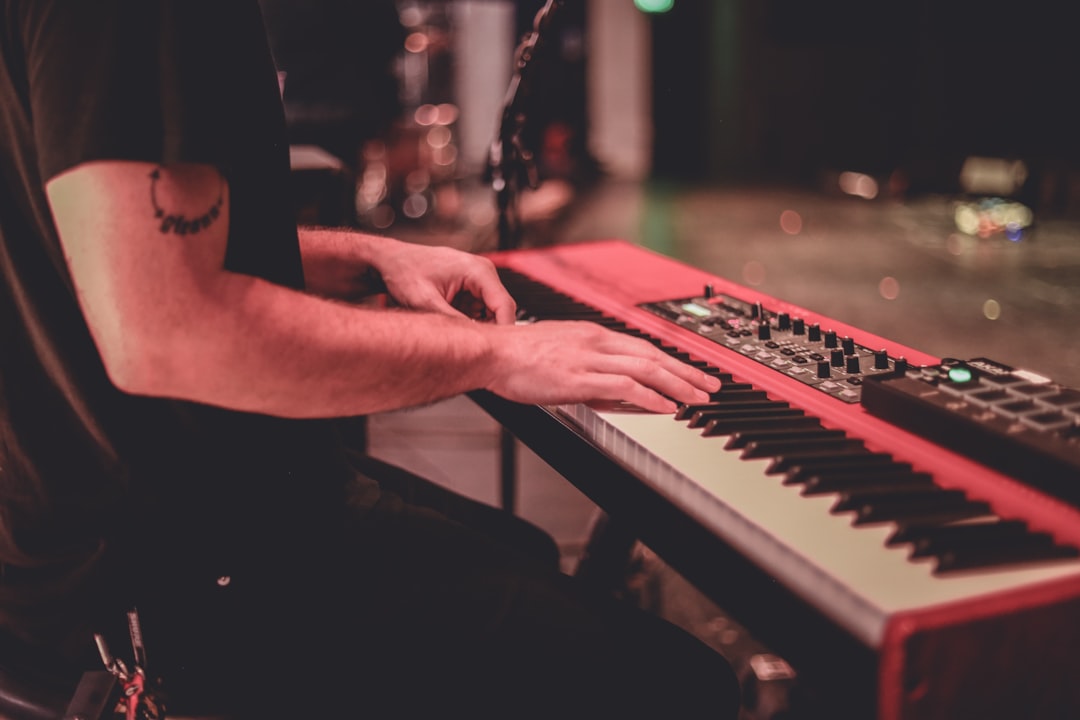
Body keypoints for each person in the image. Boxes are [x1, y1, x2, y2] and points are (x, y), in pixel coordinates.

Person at [0, 2, 740, 718]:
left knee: (528, 550)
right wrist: (493, 353)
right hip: (166, 571)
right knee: (675, 687)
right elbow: (171, 334)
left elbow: (100, 248)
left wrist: (358, 254)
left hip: (93, 526)